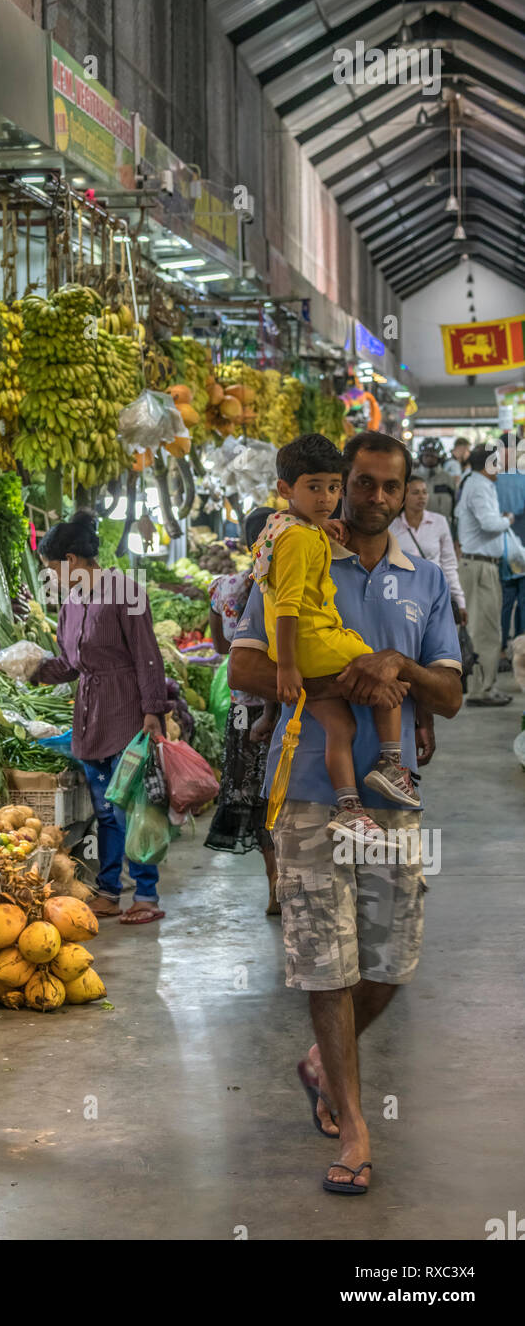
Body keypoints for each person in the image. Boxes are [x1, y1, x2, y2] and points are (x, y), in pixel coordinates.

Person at [230, 430, 462, 1195]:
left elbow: (452, 695)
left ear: (405, 496)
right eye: (355, 483)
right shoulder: (293, 553)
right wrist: (328, 686)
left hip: (393, 800)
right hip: (305, 790)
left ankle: (319, 1064)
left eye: (385, 488)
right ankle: (355, 1124)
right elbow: (244, 664)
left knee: (392, 961)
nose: (367, 498)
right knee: (325, 966)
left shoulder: (423, 580)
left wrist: (396, 669)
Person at [252, 434, 420, 847]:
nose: (327, 498)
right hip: (311, 639)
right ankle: (393, 763)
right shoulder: (300, 538)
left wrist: (320, 528)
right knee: (385, 672)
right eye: (314, 488)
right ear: (285, 489)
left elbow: (292, 535)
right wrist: (289, 668)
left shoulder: (284, 525)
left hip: (299, 649)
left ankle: (348, 808)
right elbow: (290, 604)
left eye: (332, 488)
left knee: (339, 726)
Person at [32, 510, 169, 926]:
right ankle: (110, 891)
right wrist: (31, 667)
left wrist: (153, 711)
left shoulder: (125, 592)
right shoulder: (71, 605)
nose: (52, 578)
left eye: (51, 569)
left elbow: (148, 657)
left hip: (127, 713)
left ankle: (146, 894)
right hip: (90, 715)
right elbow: (71, 665)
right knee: (105, 812)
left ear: (71, 560)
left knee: (136, 808)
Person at [204, 506, 280, 914]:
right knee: (286, 795)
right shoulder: (284, 586)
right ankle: (292, 880)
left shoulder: (221, 588)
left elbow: (219, 648)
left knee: (255, 800)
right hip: (284, 708)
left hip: (241, 713)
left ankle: (274, 882)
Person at [456, 443, 525, 707]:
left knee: (489, 628)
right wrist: (507, 519)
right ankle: (481, 690)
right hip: (479, 566)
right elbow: (489, 523)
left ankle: (486, 686)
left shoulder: (477, 484)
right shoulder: (478, 486)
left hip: (484, 565)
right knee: (484, 631)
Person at [390, 477, 466, 616]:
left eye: (425, 492)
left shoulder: (439, 522)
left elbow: (448, 564)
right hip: (401, 595)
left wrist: (459, 599)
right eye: (415, 493)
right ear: (403, 496)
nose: (422, 497)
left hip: (433, 592)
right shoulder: (392, 526)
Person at [494, 433, 525, 654]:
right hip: (519, 544)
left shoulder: (491, 477)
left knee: (506, 600)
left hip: (498, 545)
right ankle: (519, 647)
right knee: (521, 599)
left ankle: (504, 647)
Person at [412, 440, 458, 526]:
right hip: (416, 528)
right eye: (426, 455)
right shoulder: (412, 477)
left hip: (443, 528)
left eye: (433, 456)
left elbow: (455, 507)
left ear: (439, 458)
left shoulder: (447, 479)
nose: (429, 458)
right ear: (421, 456)